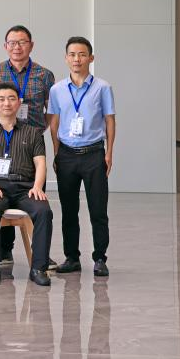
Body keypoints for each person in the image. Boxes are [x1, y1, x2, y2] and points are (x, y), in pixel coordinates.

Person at [0, 24, 55, 267]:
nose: (17, 47)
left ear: (31, 45)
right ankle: (4, 250)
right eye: (12, 43)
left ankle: (39, 254)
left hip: (30, 142)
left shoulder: (44, 75)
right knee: (0, 189)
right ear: (5, 46)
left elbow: (51, 110)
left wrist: (38, 131)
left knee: (33, 195)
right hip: (0, 139)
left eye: (22, 42)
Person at [46, 36, 116, 277]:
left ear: (91, 58)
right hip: (66, 154)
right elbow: (54, 124)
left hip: (94, 154)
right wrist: (56, 153)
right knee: (69, 210)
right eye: (72, 54)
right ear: (66, 58)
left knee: (98, 209)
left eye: (82, 54)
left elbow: (110, 121)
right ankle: (71, 257)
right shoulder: (57, 90)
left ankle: (100, 258)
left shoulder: (102, 87)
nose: (77, 59)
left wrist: (109, 153)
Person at [0, 82, 54, 286]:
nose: (6, 103)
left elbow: (40, 163)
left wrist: (37, 187)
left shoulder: (33, 132)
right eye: (1, 99)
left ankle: (39, 268)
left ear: (19, 103)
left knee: (44, 211)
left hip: (25, 188)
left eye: (11, 99)